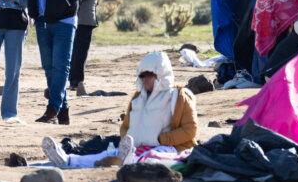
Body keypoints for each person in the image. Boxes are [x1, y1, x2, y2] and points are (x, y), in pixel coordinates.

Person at [41, 51, 198, 168]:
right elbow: (125, 127)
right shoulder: (137, 98)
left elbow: (190, 130)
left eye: (149, 75)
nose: (145, 79)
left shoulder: (179, 96)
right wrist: (126, 138)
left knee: (150, 158)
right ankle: (67, 160)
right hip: (135, 147)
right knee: (107, 153)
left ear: (161, 74)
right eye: (142, 76)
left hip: (166, 149)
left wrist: (161, 140)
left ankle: (127, 161)